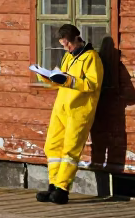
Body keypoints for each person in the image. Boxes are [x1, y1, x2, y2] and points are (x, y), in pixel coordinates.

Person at [36, 23, 103, 205]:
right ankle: (53, 185)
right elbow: (61, 81)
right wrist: (47, 77)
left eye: (67, 44)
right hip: (61, 107)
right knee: (52, 146)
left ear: (76, 39)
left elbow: (92, 84)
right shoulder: (68, 57)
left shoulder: (91, 57)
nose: (65, 47)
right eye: (63, 44)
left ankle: (62, 189)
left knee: (70, 150)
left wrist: (68, 80)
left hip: (79, 110)